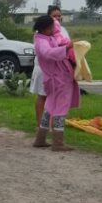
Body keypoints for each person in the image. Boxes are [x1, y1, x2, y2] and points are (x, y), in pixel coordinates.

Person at [32, 15, 79, 151]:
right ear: (46, 28)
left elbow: (55, 46)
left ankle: (40, 139)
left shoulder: (45, 38)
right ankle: (58, 143)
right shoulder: (42, 42)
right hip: (58, 79)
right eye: (52, 27)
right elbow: (48, 53)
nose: (55, 29)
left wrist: (66, 46)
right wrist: (66, 49)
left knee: (49, 108)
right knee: (60, 108)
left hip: (56, 78)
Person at [29, 5, 69, 128]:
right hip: (44, 69)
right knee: (43, 96)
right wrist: (65, 49)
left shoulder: (61, 30)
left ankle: (49, 126)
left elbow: (64, 43)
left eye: (59, 15)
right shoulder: (41, 37)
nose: (57, 18)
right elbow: (48, 52)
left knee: (55, 98)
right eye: (54, 16)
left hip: (57, 69)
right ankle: (41, 125)